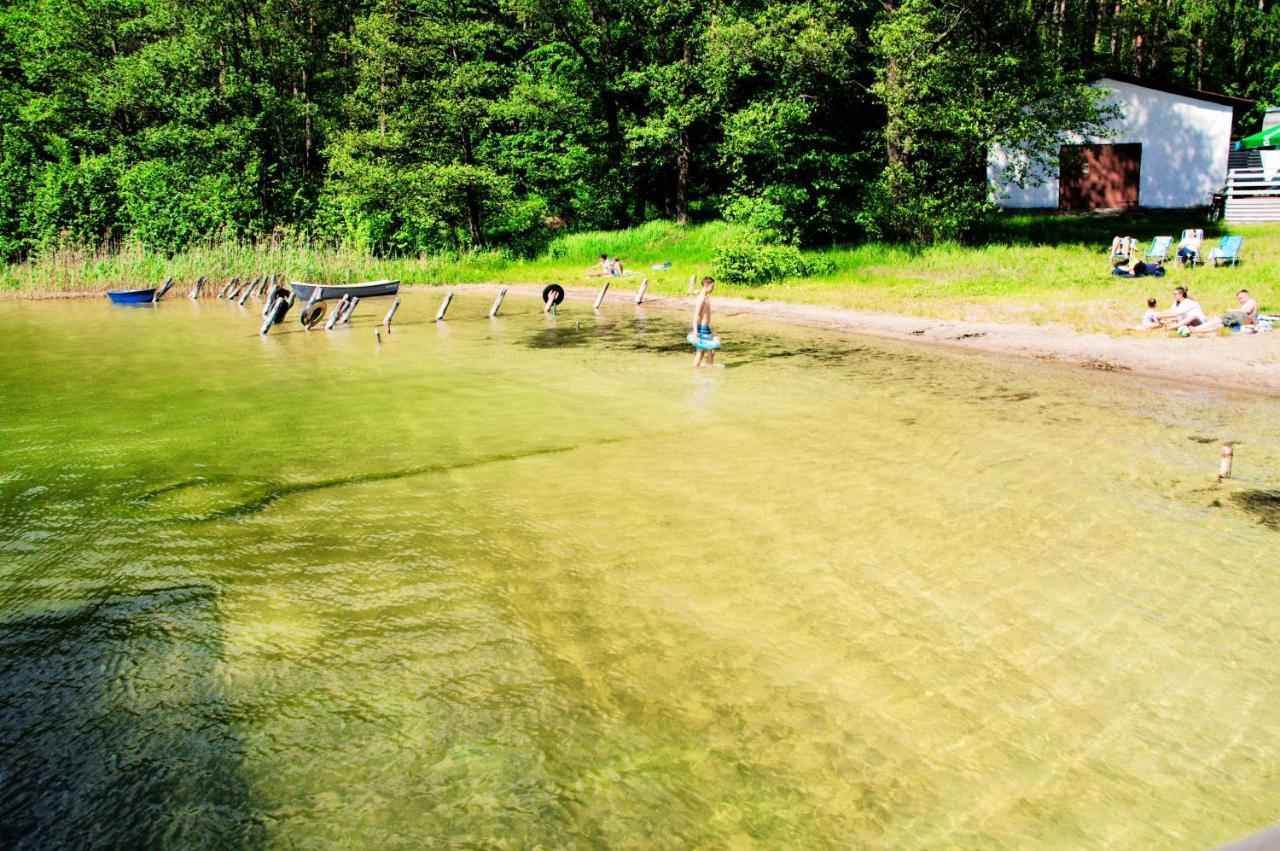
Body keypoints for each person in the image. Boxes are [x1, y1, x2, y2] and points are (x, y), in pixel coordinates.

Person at [1187, 289, 1260, 335]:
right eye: (1239, 299)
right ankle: (1199, 331)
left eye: (1241, 298)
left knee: (1218, 320)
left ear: (1247, 295)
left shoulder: (1251, 301)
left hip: (1245, 319)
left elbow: (1248, 310)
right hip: (1243, 321)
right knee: (1219, 325)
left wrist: (1233, 310)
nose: (1240, 301)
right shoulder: (1247, 304)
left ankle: (1197, 329)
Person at [691, 276, 719, 367]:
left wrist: (711, 332)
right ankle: (708, 371)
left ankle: (704, 369)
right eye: (712, 286)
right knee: (705, 351)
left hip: (706, 329)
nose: (713, 289)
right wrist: (695, 333)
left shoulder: (705, 297)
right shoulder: (701, 298)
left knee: (708, 352)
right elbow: (695, 316)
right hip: (702, 330)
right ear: (706, 284)